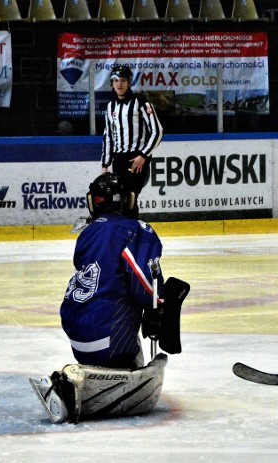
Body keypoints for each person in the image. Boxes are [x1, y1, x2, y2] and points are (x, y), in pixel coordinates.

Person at [29, 172, 188, 424]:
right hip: (106, 338)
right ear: (126, 201)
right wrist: (158, 309)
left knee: (113, 287)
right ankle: (117, 371)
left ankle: (99, 367)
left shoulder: (87, 232)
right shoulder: (135, 230)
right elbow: (146, 286)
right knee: (143, 297)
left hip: (78, 335)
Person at [101, 64, 164, 219]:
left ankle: (132, 233)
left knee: (130, 195)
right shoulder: (110, 107)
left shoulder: (140, 102)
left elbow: (157, 131)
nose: (119, 84)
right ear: (112, 83)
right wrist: (105, 164)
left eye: (123, 80)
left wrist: (143, 155)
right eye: (116, 80)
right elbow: (108, 136)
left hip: (136, 158)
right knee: (119, 199)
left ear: (129, 82)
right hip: (118, 159)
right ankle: (126, 233)